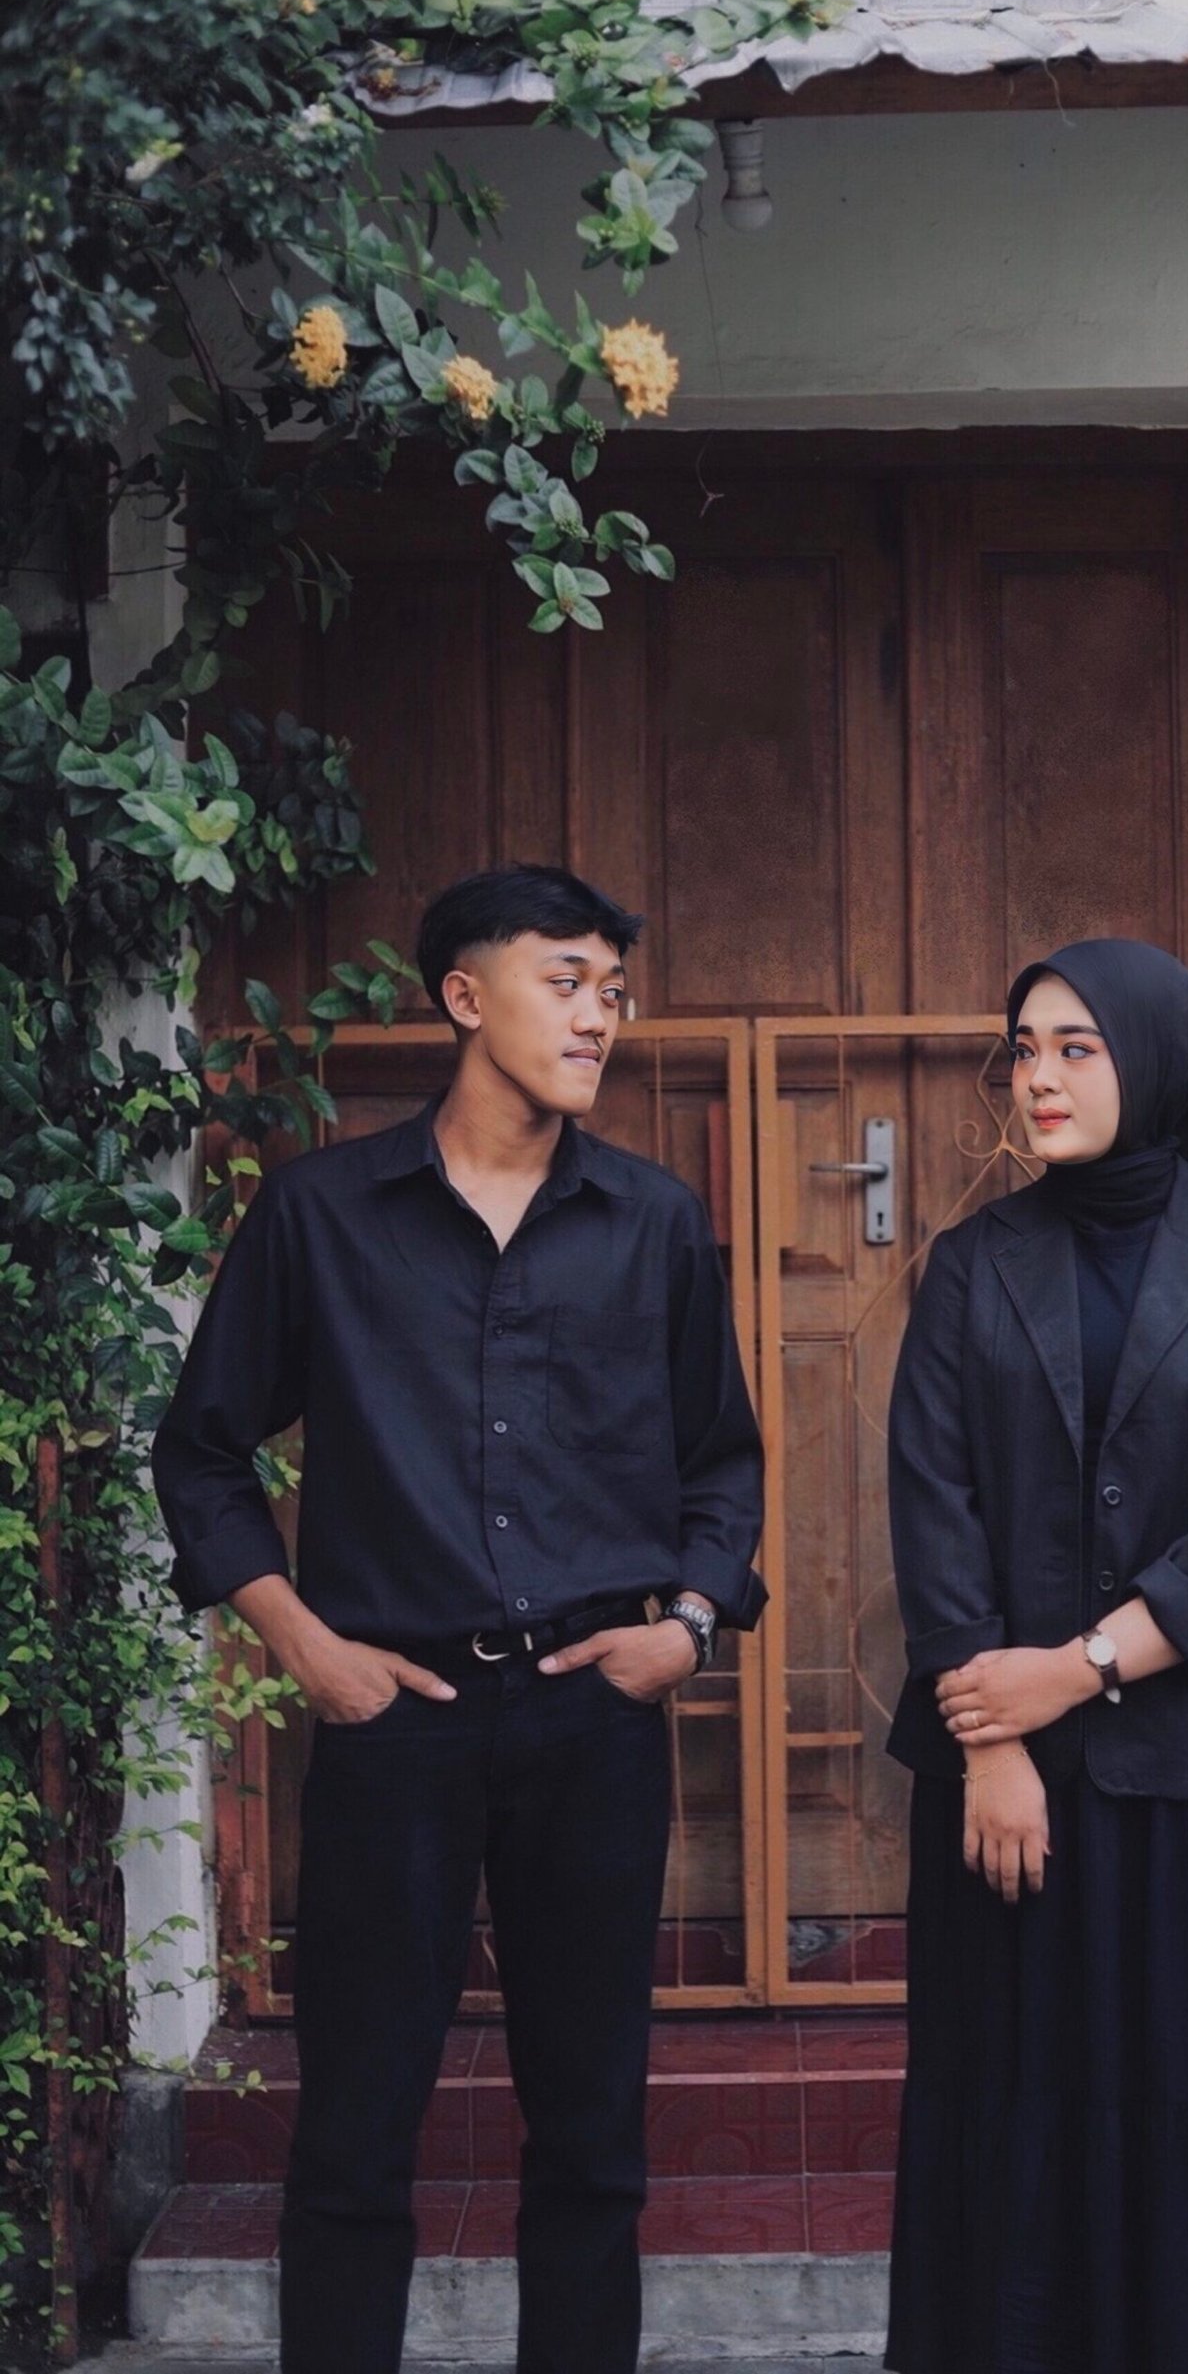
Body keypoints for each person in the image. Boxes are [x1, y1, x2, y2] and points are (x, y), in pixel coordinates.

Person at [151, 863, 765, 2374]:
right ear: (464, 996)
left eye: (613, 990)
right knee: (355, 2134)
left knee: (592, 2135)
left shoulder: (652, 1221)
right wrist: (303, 1643)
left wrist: (686, 1627)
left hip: (594, 1715)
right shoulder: (322, 1216)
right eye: (566, 981)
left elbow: (723, 1461)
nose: (600, 1015)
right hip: (395, 1718)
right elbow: (202, 1451)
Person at [882, 937, 1188, 2374]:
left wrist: (1072, 1669)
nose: (1039, 1076)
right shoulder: (972, 1267)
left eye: (1076, 1047)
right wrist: (995, 1738)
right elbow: (932, 1505)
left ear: (1156, 1059)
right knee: (1009, 2101)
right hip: (1005, 1781)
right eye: (1025, 1048)